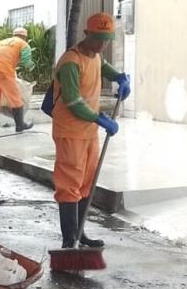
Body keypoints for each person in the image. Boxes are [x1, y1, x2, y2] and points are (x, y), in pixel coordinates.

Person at [50, 13, 130, 248]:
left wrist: (120, 78)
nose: (102, 45)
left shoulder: (96, 56)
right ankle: (69, 240)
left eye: (106, 40)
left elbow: (104, 67)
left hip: (88, 131)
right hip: (69, 132)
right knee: (69, 184)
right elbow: (74, 102)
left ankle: (80, 234)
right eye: (99, 39)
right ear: (87, 35)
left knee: (86, 181)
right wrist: (100, 119)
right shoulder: (71, 62)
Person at [0, 27, 34, 133]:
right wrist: (31, 66)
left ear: (13, 35)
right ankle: (20, 125)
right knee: (15, 98)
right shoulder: (23, 44)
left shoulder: (1, 43)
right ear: (24, 37)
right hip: (5, 70)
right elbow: (26, 61)